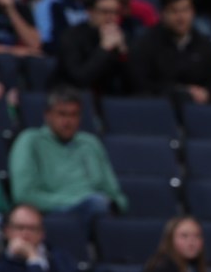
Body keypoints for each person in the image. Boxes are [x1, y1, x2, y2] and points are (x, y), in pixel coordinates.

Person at [7, 90, 124, 219]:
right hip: (51, 216)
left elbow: (115, 194)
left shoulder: (91, 143)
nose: (68, 121)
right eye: (62, 114)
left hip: (96, 212)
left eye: (74, 115)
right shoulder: (30, 140)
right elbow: (24, 194)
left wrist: (116, 204)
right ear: (47, 115)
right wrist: (75, 203)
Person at [129, 0, 211, 103]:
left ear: (193, 12)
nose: (181, 18)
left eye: (185, 10)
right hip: (159, 108)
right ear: (163, 14)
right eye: (174, 11)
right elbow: (141, 85)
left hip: (198, 110)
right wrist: (180, 92)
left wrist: (206, 93)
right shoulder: (145, 44)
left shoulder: (204, 44)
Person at [56, 0, 140, 96]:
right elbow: (80, 79)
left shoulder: (123, 37)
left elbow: (136, 84)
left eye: (115, 12)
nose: (111, 18)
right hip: (73, 98)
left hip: (111, 98)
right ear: (90, 12)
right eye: (105, 12)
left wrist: (123, 53)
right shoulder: (71, 37)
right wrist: (104, 49)